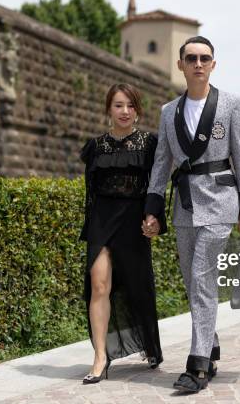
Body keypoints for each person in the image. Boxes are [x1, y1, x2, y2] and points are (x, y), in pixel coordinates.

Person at [143, 36, 240, 393]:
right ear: (180, 65)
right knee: (192, 283)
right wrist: (152, 207)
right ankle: (211, 341)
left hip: (221, 202)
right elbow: (162, 162)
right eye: (191, 58)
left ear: (213, 64)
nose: (198, 64)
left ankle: (198, 366)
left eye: (204, 58)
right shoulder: (167, 112)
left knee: (202, 279)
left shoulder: (231, 104)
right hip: (185, 206)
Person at [79, 83, 165, 384]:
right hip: (102, 222)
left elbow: (157, 186)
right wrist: (90, 228)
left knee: (139, 287)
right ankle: (100, 358)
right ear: (108, 109)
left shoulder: (150, 144)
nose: (124, 111)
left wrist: (155, 220)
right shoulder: (96, 147)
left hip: (133, 221)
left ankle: (150, 345)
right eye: (118, 105)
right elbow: (90, 194)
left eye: (130, 105)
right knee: (98, 285)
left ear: (138, 110)